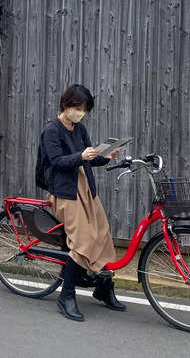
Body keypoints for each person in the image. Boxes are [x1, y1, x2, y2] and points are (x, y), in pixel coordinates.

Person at [40, 84, 125, 322]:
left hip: (85, 188)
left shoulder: (79, 129)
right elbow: (56, 161)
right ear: (65, 104)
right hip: (64, 192)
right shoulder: (52, 130)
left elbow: (87, 160)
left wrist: (103, 157)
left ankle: (103, 288)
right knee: (83, 239)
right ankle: (66, 296)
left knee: (103, 233)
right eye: (77, 107)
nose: (80, 113)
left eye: (84, 109)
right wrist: (81, 156)